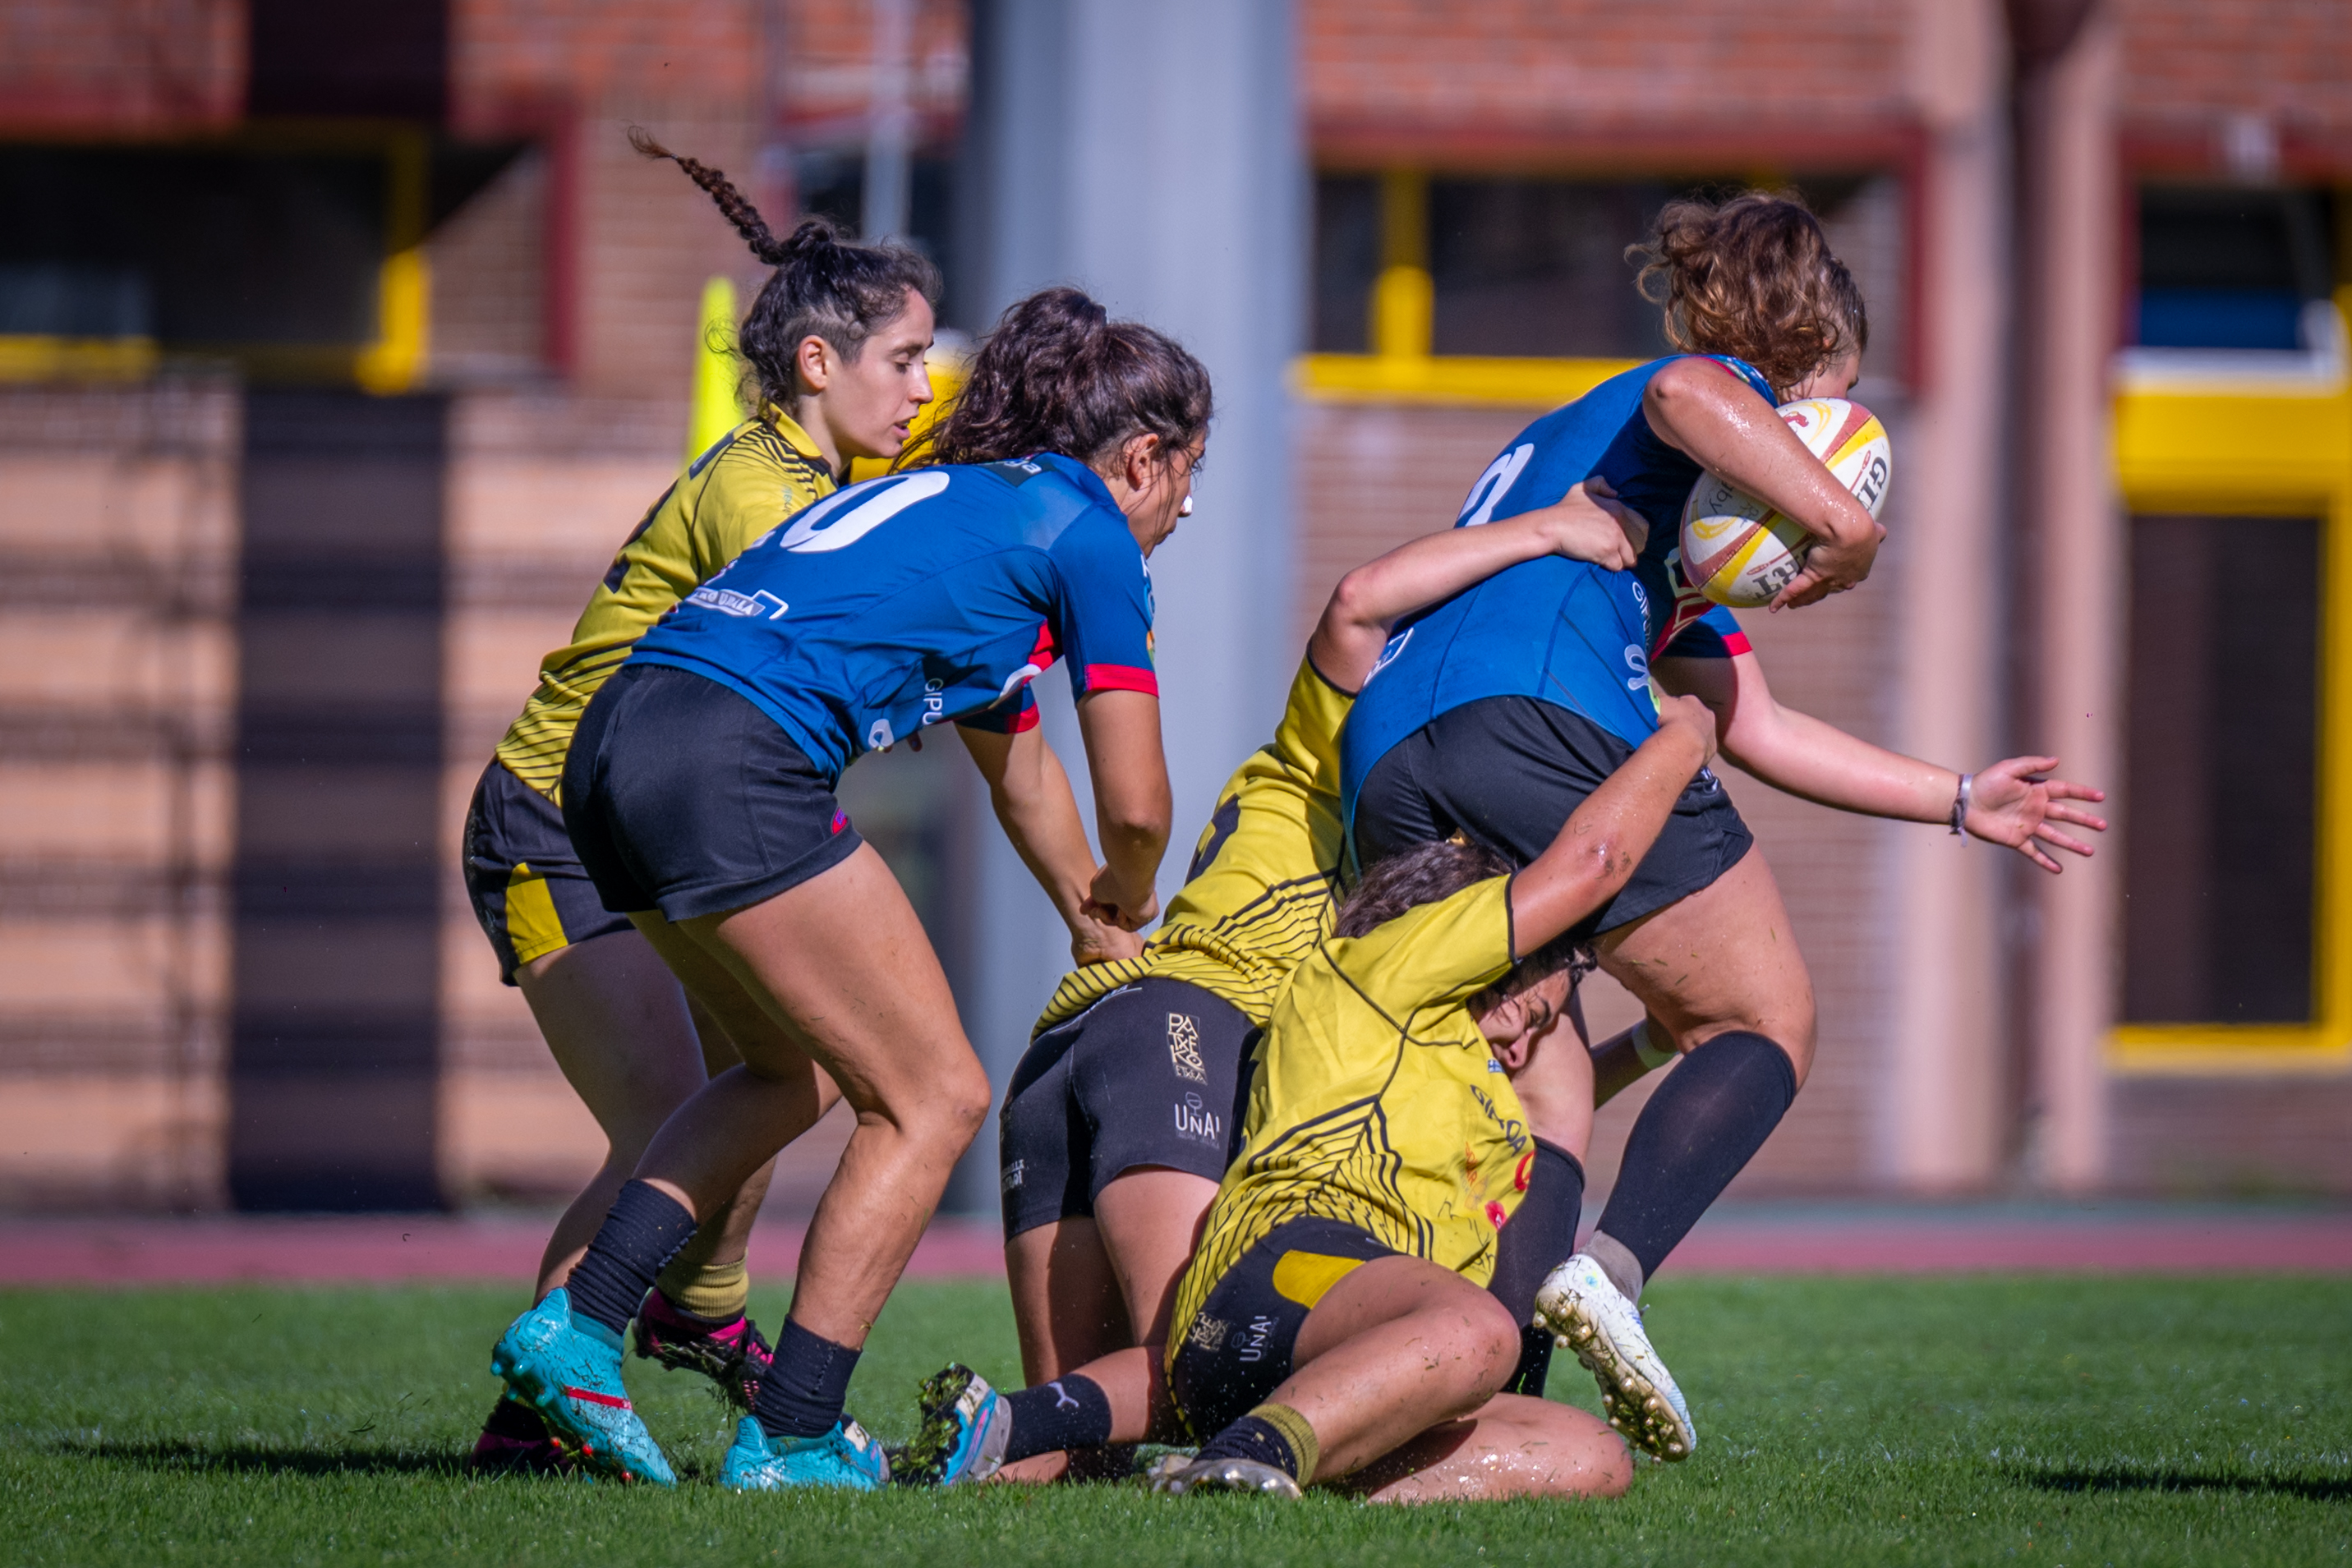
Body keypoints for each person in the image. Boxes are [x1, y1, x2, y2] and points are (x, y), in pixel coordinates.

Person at [1339, 191, 2108, 1463]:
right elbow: (1692, 395)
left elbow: (1751, 722)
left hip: (1393, 753)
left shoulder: (1591, 470)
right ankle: (1610, 1274)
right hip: (1538, 708)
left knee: (1542, 1078)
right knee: (1761, 1020)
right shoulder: (1697, 393)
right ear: (1806, 373)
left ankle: (1481, 1405)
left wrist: (1962, 800)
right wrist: (1848, 524)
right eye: (1841, 399)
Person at [485, 285, 1212, 1491]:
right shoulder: (1086, 532)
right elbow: (1135, 803)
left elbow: (1024, 773)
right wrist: (1132, 881)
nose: (1185, 505)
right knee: (932, 1094)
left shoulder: (950, 511)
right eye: (1187, 475)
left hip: (618, 743)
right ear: (1139, 455)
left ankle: (576, 1324)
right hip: (732, 756)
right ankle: (796, 1430)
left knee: (792, 1068)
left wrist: (1096, 923)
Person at [893, 481, 1650, 1486]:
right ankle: (1246, 1462)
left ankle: (896, 1466)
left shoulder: (1393, 841)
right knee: (1197, 1374)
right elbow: (1357, 605)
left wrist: (1652, 1041)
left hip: (1074, 1045)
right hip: (1192, 1028)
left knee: (1072, 1461)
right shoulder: (1340, 773)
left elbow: (1540, 1070)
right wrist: (1549, 531)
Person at [459, 133, 941, 1471]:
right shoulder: (761, 493)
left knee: (770, 1070)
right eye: (904, 360)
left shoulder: (815, 494)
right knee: (673, 1109)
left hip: (632, 826)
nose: (921, 387)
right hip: (549, 826)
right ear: (815, 362)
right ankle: (534, 1416)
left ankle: (694, 1314)